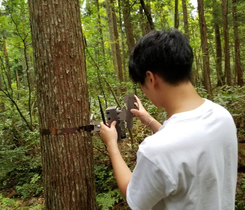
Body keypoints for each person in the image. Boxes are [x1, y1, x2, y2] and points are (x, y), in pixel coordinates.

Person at [100, 29, 237, 210]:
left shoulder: (155, 151)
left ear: (150, 78)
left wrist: (112, 144)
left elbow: (132, 194)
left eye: (141, 84)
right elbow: (186, 143)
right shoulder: (222, 116)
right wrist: (149, 119)